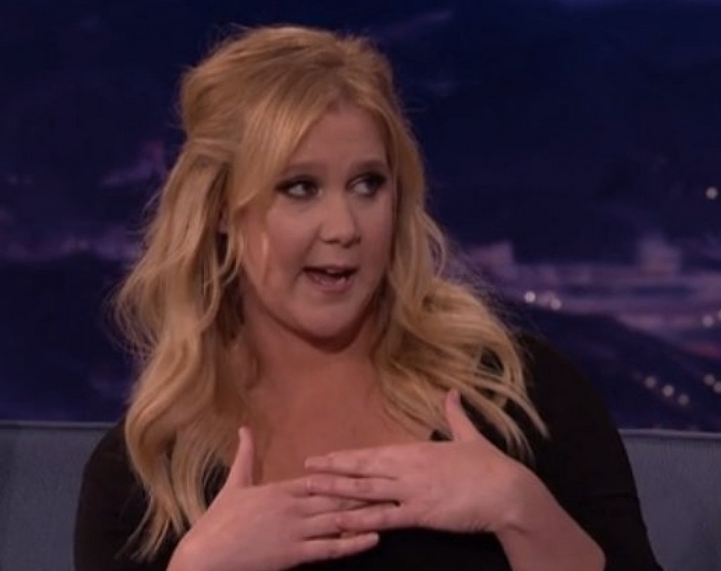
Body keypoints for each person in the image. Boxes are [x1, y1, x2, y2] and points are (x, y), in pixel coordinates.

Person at [73, 24, 663, 571]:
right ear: (222, 210)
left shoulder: (519, 395)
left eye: (367, 184)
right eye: (300, 188)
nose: (344, 227)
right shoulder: (145, 475)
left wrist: (520, 510)